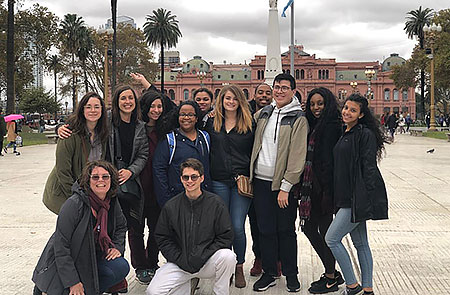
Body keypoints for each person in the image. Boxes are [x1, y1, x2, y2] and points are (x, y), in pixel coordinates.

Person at [32, 160, 130, 295]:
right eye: (95, 177)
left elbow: (121, 226)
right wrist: (72, 282)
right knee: (67, 287)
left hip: (90, 257)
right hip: (66, 261)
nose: (100, 180)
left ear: (111, 179)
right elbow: (61, 247)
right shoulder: (73, 204)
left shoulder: (111, 201)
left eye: (105, 176)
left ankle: (89, 289)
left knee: (120, 266)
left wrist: (117, 247)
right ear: (88, 181)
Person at [250, 73, 308, 292]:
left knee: (285, 230)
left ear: (293, 91)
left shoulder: (298, 119)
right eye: (277, 87)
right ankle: (270, 272)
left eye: (285, 87)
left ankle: (291, 274)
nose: (279, 91)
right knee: (265, 230)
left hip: (283, 186)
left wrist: (286, 186)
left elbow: (297, 155)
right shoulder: (263, 114)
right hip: (261, 182)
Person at [326, 94, 388, 295]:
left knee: (332, 239)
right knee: (361, 243)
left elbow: (368, 167)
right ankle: (367, 290)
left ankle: (352, 285)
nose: (347, 112)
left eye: (353, 110)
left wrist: (366, 197)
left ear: (361, 115)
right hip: (345, 196)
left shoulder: (364, 134)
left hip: (354, 198)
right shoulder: (346, 132)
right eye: (346, 108)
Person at [146, 158, 235, 295]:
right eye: (186, 177)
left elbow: (225, 236)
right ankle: (186, 285)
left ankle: (220, 293)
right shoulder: (171, 206)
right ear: (181, 179)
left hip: (207, 261)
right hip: (180, 263)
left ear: (202, 178)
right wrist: (180, 259)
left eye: (194, 177)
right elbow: (162, 237)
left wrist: (203, 255)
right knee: (153, 291)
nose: (190, 181)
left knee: (228, 257)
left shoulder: (216, 203)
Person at [204, 84, 254, 288]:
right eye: (227, 99)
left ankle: (239, 265)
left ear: (240, 101)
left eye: (234, 99)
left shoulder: (249, 123)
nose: (231, 102)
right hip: (218, 181)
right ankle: (227, 266)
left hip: (241, 182)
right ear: (221, 101)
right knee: (222, 227)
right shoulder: (211, 122)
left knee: (237, 226)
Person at [298, 87, 345, 293]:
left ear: (328, 104)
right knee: (309, 228)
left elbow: (330, 161)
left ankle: (331, 277)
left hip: (325, 190)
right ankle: (331, 273)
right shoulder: (314, 124)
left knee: (325, 232)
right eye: (313, 104)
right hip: (312, 187)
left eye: (320, 103)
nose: (316, 108)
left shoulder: (333, 126)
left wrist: (327, 192)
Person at [43, 92, 109, 214]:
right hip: (65, 192)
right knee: (72, 229)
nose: (93, 110)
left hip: (89, 190)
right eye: (88, 107)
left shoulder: (103, 134)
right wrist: (76, 200)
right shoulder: (69, 134)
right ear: (82, 110)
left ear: (102, 110)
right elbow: (63, 171)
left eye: (97, 107)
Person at [133, 90, 170, 284]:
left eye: (159, 106)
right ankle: (140, 266)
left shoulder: (165, 129)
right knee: (136, 230)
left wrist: (149, 85)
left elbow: (178, 108)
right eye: (152, 106)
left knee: (157, 229)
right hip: (137, 187)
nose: (156, 110)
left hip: (157, 187)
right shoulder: (135, 128)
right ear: (145, 107)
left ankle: (152, 262)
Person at [152, 100, 211, 207]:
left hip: (202, 197)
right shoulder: (170, 140)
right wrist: (166, 201)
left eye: (190, 115)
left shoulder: (205, 137)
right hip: (176, 198)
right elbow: (159, 170)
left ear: (196, 118)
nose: (186, 118)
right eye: (182, 114)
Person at [247, 83, 274, 277]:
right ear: (254, 94)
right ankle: (259, 257)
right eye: (260, 92)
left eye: (268, 93)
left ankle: (276, 258)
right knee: (254, 220)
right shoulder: (245, 112)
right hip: (249, 175)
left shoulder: (277, 113)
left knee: (275, 221)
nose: (264, 96)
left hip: (271, 174)